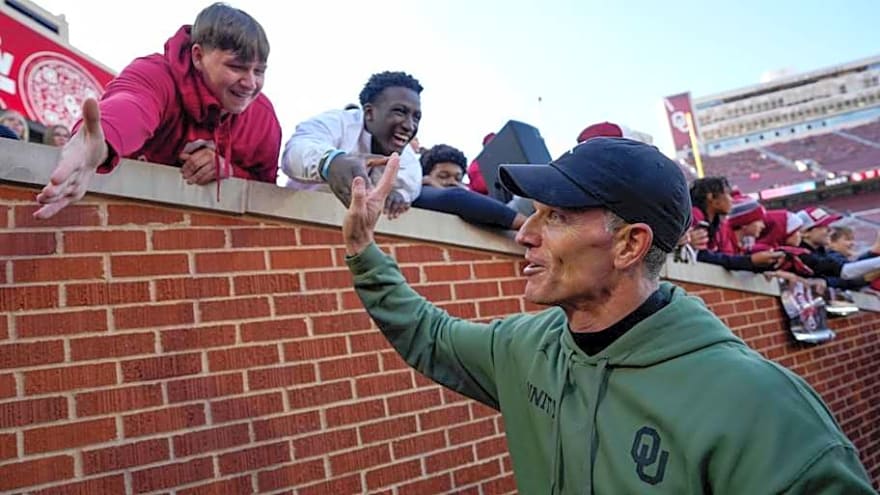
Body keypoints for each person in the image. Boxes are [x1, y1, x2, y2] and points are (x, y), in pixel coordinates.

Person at [339, 138, 873, 493]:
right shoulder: (523, 347)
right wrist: (364, 250)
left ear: (629, 245)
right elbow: (430, 335)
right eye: (533, 214)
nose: (525, 234)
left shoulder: (759, 406)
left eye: (556, 216)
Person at [33, 2, 282, 219]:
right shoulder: (156, 75)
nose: (250, 83)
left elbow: (267, 192)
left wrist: (230, 171)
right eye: (236, 67)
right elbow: (131, 105)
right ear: (198, 56)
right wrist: (101, 141)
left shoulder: (263, 117)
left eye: (259, 71)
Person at [281, 71, 423, 219]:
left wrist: (399, 195)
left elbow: (412, 184)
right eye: (399, 112)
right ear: (369, 113)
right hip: (295, 218)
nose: (410, 126)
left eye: (416, 117)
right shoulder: (338, 123)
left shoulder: (407, 158)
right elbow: (294, 152)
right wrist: (331, 162)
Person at [413, 144, 526, 230]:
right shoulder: (417, 192)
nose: (452, 182)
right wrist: (525, 224)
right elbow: (454, 197)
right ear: (425, 177)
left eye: (458, 179)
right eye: (443, 176)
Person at [688, 177, 783, 271]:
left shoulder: (716, 224)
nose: (732, 200)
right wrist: (750, 261)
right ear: (711, 197)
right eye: (728, 195)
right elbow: (702, 256)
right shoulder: (695, 215)